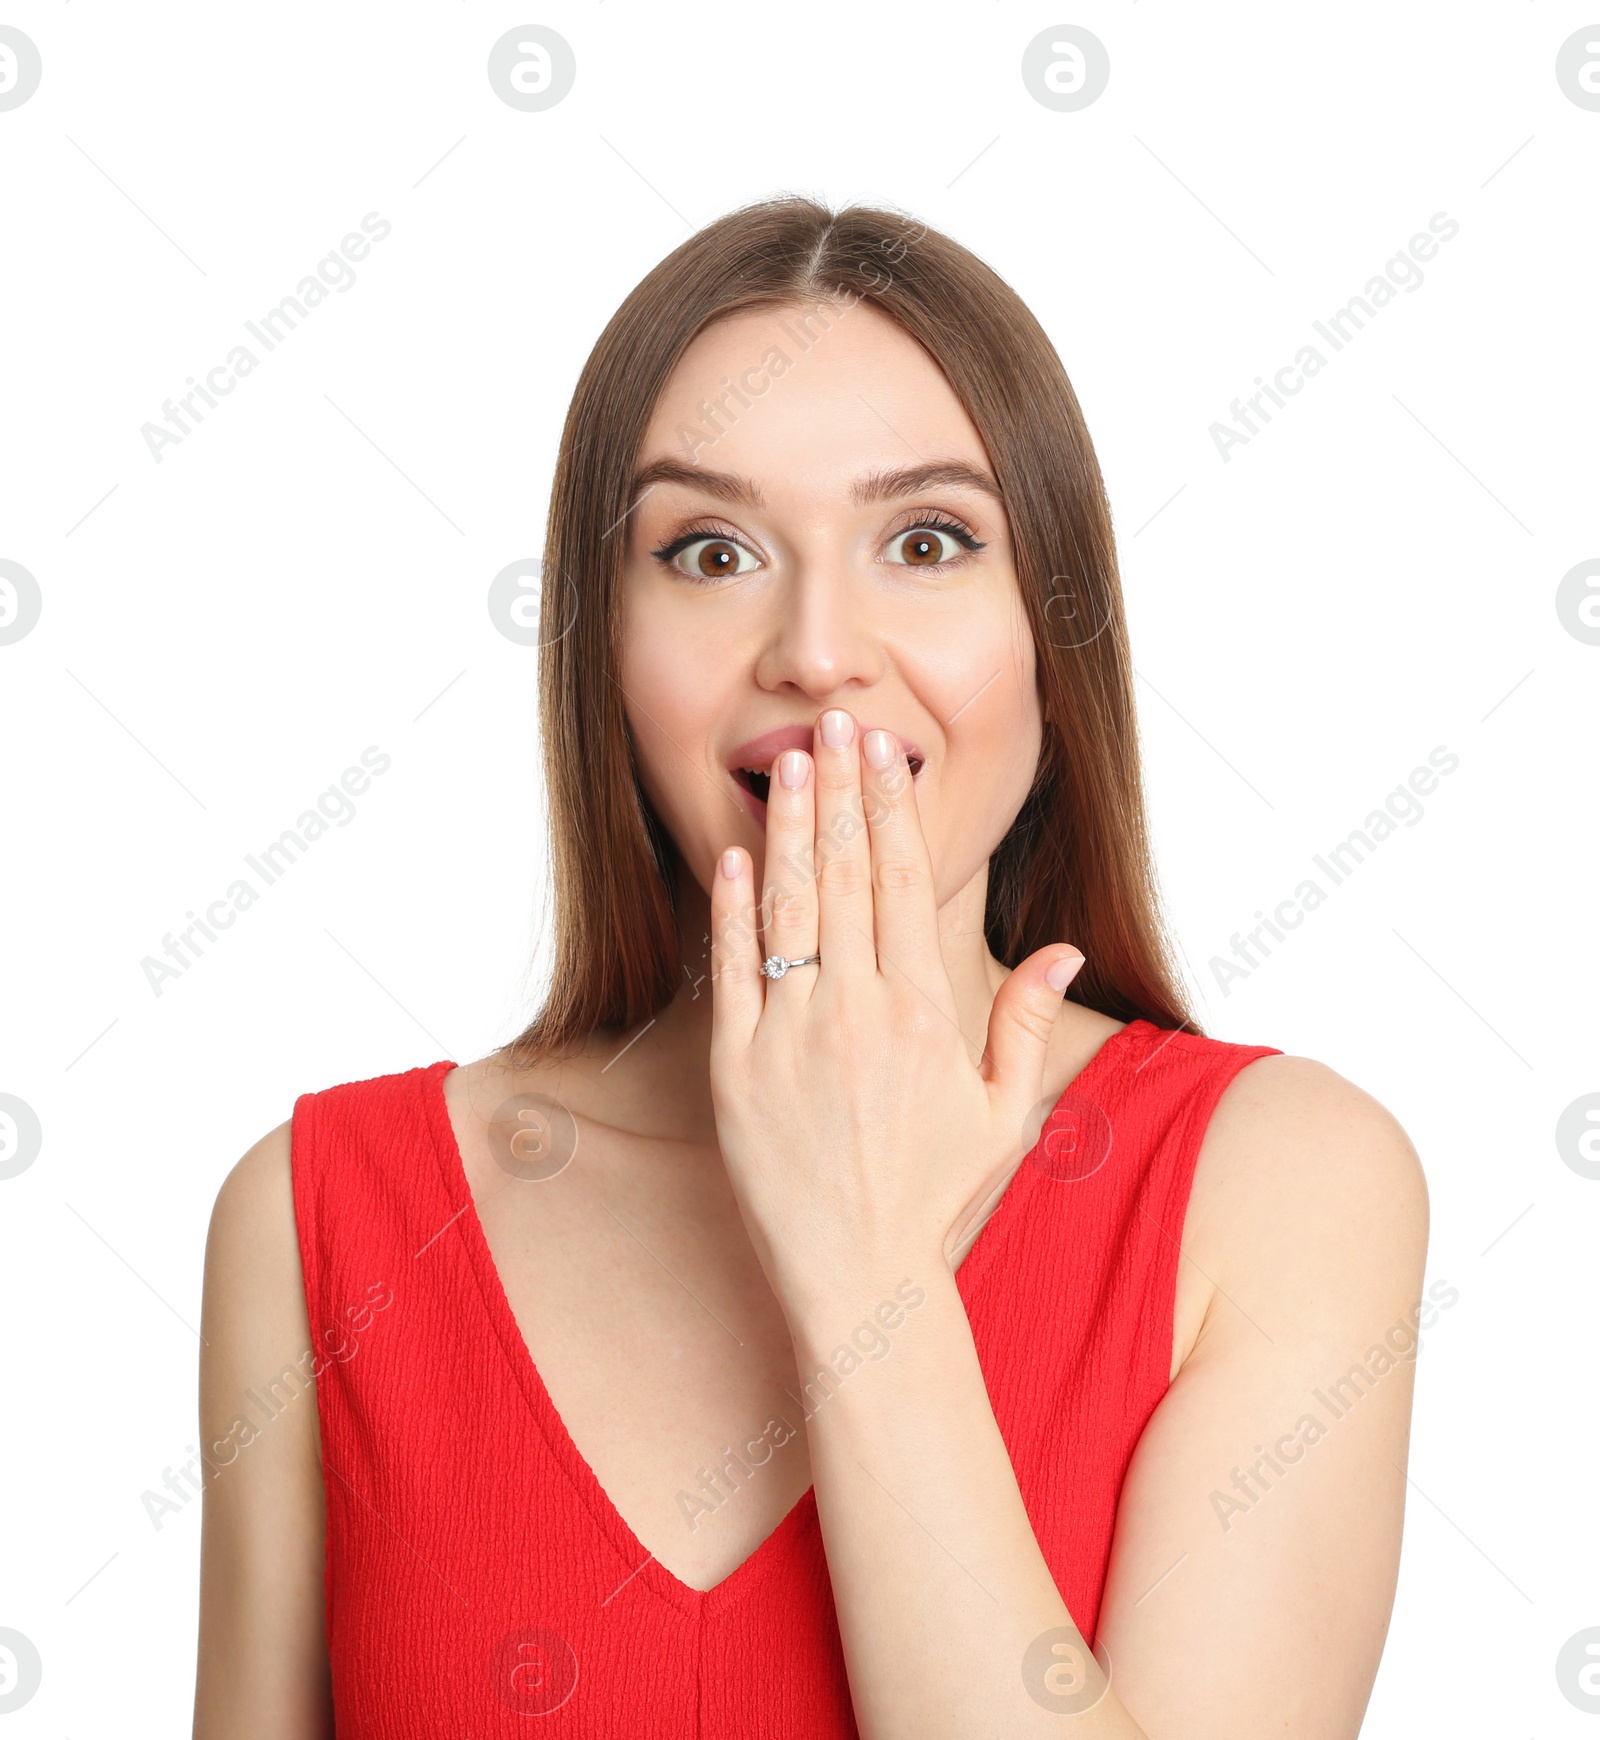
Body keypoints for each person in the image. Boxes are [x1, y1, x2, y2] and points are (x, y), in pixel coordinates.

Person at [193, 198, 1428, 1738]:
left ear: (1053, 640)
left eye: (928, 540)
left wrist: (863, 1264)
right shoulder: (320, 1216)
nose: (818, 648)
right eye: (709, 551)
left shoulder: (1285, 1182)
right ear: (602, 653)